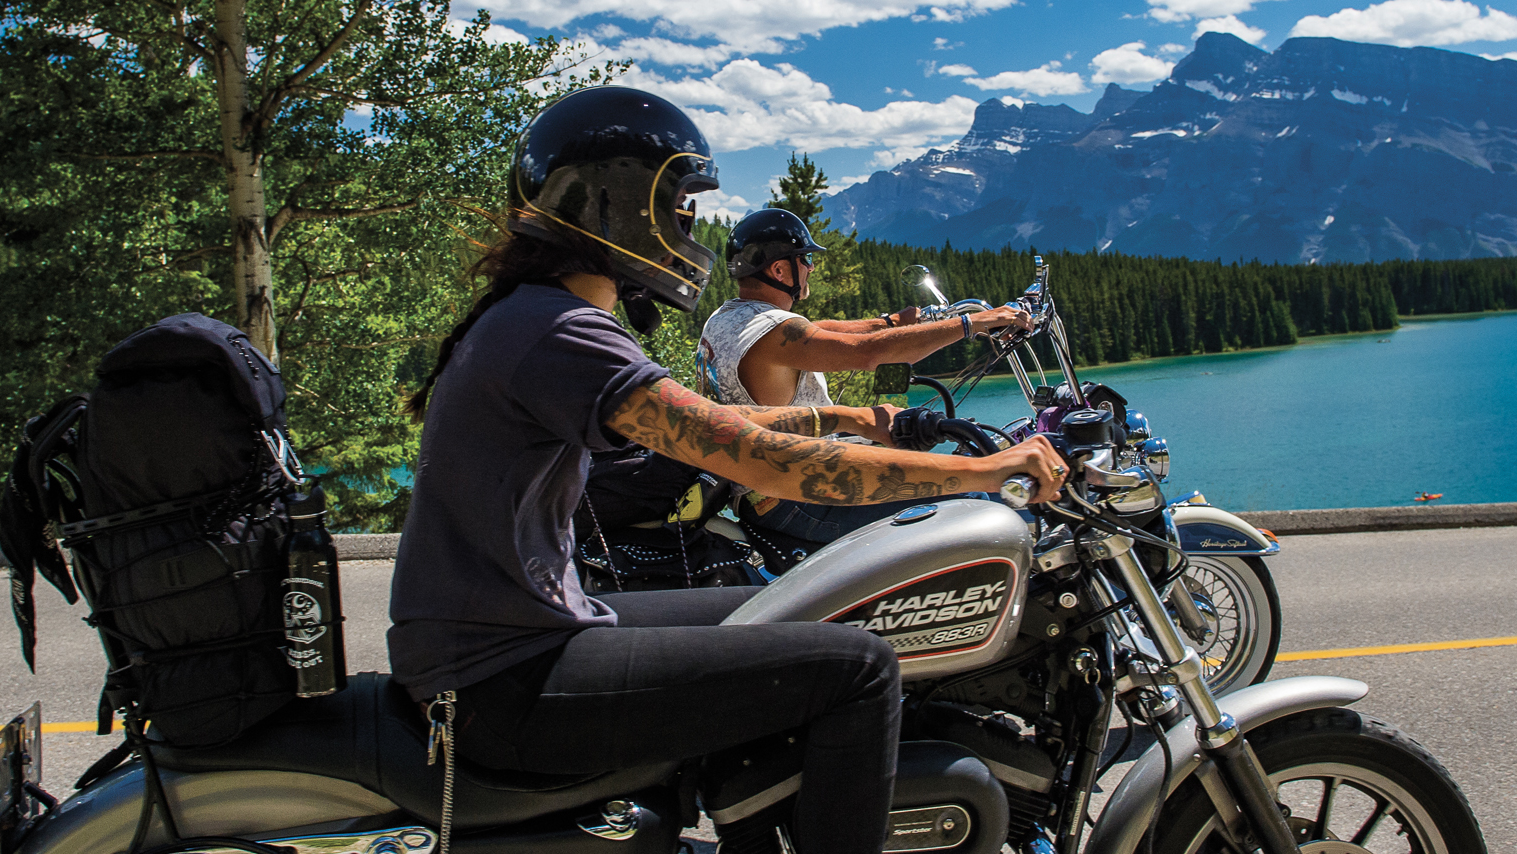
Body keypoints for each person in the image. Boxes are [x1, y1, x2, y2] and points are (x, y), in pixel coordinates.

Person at [387, 85, 1067, 854]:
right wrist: (986, 474)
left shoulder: (532, 315)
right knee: (862, 664)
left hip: (504, 643)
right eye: (679, 207)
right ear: (616, 207)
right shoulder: (559, 331)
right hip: (499, 679)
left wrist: (841, 418)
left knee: (793, 609)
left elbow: (714, 430)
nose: (689, 229)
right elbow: (767, 464)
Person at [695, 208, 1034, 543]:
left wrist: (892, 322)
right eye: (805, 259)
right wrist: (973, 323)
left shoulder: (729, 319)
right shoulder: (772, 329)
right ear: (780, 269)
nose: (811, 267)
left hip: (763, 490)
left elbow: (821, 332)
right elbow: (867, 353)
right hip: (798, 497)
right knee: (971, 506)